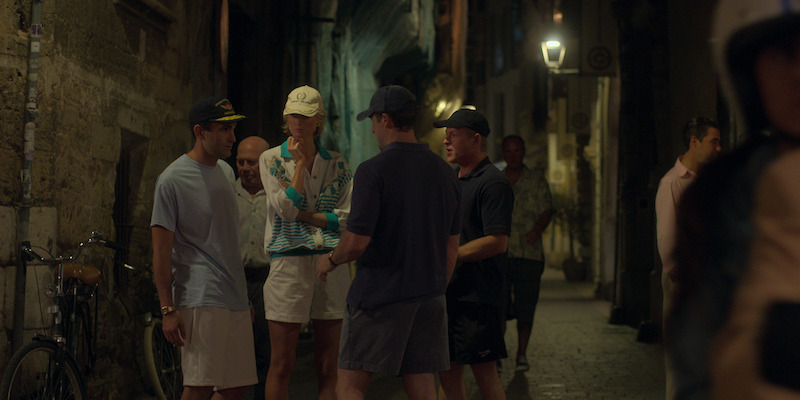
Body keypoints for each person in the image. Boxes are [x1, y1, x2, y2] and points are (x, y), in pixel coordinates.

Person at [666, 1, 800, 399]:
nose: (799, 75)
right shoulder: (725, 195)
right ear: (747, 72)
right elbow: (697, 366)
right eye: (784, 54)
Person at [314, 85, 461, 400]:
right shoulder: (445, 173)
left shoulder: (372, 171)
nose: (372, 127)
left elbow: (355, 242)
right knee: (422, 384)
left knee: (351, 383)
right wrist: (436, 286)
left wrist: (330, 260)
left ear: (385, 119)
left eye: (373, 120)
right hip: (430, 297)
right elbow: (451, 245)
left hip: (379, 296)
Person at [151, 96, 257, 400]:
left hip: (232, 294)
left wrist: (243, 296)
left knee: (236, 384)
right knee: (198, 385)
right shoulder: (172, 180)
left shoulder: (225, 172)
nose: (232, 138)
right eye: (224, 130)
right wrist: (167, 308)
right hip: (200, 294)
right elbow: (161, 250)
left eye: (233, 129)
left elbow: (226, 240)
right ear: (200, 131)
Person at [259, 85, 353, 400]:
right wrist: (299, 165)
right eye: (294, 116)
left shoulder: (337, 163)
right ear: (286, 118)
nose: (299, 123)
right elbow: (285, 209)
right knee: (282, 363)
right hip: (288, 262)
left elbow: (347, 218)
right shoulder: (271, 159)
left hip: (330, 262)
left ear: (318, 121)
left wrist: (308, 216)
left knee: (329, 365)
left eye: (306, 116)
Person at [436, 109, 514, 400]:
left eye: (453, 135)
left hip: (477, 297)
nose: (446, 141)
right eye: (446, 135)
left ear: (475, 138)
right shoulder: (453, 180)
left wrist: (449, 256)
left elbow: (497, 241)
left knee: (484, 373)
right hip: (449, 293)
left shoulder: (492, 182)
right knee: (447, 373)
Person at [655, 116, 720, 399]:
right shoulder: (672, 183)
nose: (719, 148)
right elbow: (668, 243)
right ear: (695, 142)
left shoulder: (705, 181)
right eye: (714, 141)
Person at [500, 134, 553, 372]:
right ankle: (497, 353)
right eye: (509, 151)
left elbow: (547, 209)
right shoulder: (496, 181)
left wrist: (538, 230)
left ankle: (522, 353)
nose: (513, 156)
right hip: (500, 253)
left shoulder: (536, 181)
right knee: (498, 305)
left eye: (517, 151)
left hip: (529, 254)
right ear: (503, 154)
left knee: (526, 305)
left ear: (523, 153)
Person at [234, 135, 271, 399]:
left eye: (252, 162)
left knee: (266, 352)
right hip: (235, 280)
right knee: (233, 353)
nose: (246, 168)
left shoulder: (277, 196)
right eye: (241, 162)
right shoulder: (226, 194)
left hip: (267, 280)